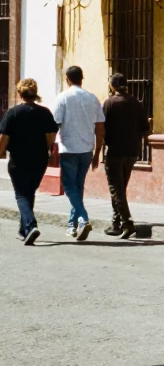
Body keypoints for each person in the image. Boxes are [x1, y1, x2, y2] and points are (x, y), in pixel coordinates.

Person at [0, 79, 60, 245]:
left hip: (18, 159)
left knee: (21, 195)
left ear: (20, 93)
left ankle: (31, 224)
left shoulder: (13, 113)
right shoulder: (45, 112)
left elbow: (4, 138)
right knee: (29, 192)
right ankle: (24, 229)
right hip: (39, 159)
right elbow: (51, 135)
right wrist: (47, 149)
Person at [52, 65, 105, 241]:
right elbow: (100, 127)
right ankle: (72, 225)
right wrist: (97, 152)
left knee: (69, 187)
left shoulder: (63, 97)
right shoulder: (93, 98)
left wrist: (49, 146)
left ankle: (83, 219)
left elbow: (55, 123)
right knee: (78, 187)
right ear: (82, 78)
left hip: (69, 148)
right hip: (87, 149)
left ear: (68, 79)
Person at [102, 73, 149, 239]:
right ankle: (116, 223)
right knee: (120, 189)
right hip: (132, 152)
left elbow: (102, 127)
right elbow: (146, 128)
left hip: (115, 151)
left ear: (112, 86)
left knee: (117, 189)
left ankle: (127, 223)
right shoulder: (136, 103)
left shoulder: (109, 103)